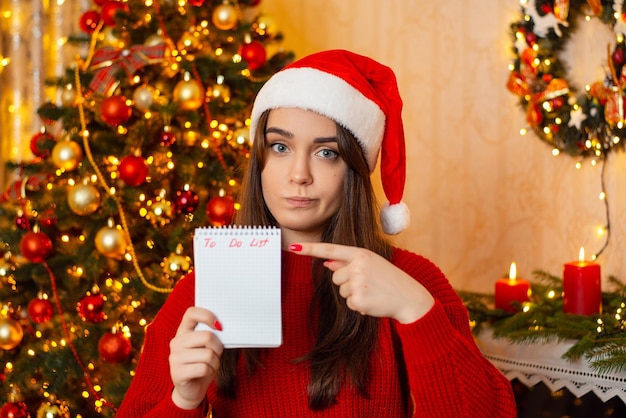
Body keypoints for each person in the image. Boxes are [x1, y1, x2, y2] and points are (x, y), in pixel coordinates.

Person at [117, 49, 517, 417]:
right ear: (259, 161)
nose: (299, 175)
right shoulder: (201, 292)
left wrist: (416, 311)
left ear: (354, 171)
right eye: (280, 147)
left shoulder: (411, 280)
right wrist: (183, 400)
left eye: (327, 153)